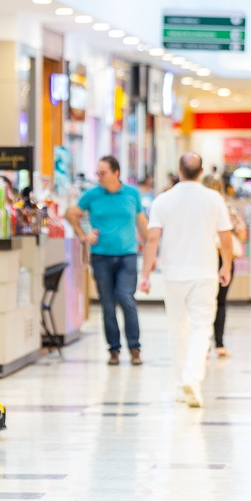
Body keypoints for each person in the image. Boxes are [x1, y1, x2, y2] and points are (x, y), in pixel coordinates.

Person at [139, 152, 232, 407]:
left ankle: (183, 384)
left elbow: (152, 239)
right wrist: (227, 266)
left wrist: (145, 275)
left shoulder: (163, 200)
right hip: (205, 273)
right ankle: (191, 379)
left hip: (173, 275)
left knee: (178, 329)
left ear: (179, 171)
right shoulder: (214, 199)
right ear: (201, 172)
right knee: (202, 327)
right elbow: (225, 238)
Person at [66, 156, 148, 366]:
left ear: (116, 173)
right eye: (98, 173)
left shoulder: (131, 194)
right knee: (108, 305)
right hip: (101, 257)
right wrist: (83, 235)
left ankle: (134, 347)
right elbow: (71, 213)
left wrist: (152, 250)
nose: (99, 177)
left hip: (127, 256)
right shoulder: (92, 195)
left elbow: (142, 224)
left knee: (125, 298)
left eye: (103, 173)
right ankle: (114, 350)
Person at [201, 174, 246, 358]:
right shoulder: (227, 208)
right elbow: (242, 234)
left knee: (203, 302)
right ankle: (219, 344)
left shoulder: (200, 209)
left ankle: (203, 344)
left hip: (204, 257)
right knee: (220, 302)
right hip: (224, 258)